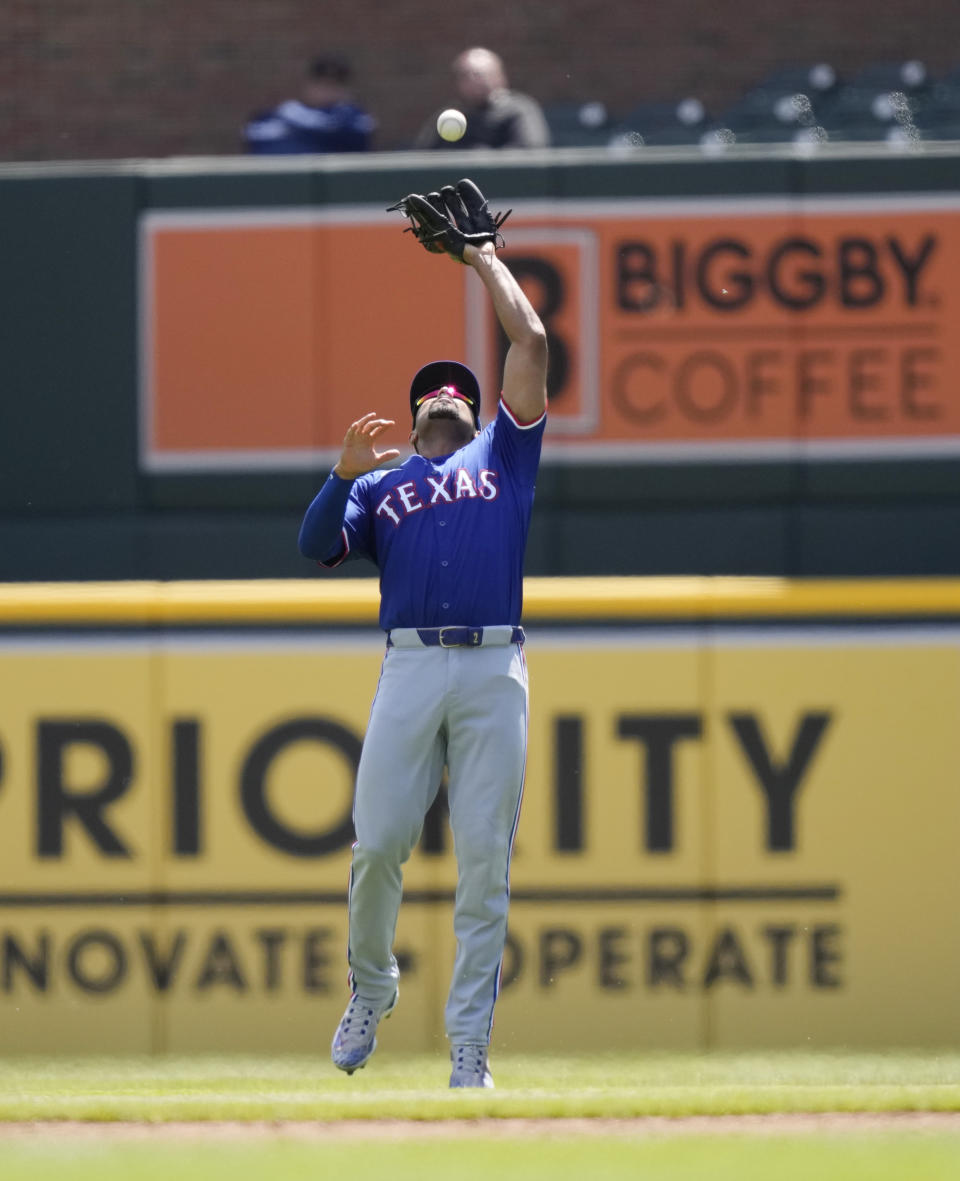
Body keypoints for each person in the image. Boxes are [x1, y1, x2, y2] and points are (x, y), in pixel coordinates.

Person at [297, 182, 548, 1088]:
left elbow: (534, 343)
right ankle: (371, 986)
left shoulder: (504, 459)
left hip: (491, 663)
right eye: (429, 400)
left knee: (484, 864)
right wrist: (338, 474)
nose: (443, 404)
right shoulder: (379, 483)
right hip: (409, 667)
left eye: (457, 398)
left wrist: (484, 257)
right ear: (410, 419)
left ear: (477, 415)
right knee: (377, 844)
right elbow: (314, 545)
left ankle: (470, 1050)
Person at [414, 47, 550, 150]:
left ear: (499, 77)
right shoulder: (451, 115)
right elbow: (425, 156)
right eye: (465, 76)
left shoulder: (519, 110)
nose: (474, 81)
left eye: (479, 74)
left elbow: (531, 150)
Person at [243, 54, 375, 154]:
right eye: (320, 84)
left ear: (346, 90)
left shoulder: (353, 116)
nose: (326, 90)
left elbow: (354, 138)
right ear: (308, 85)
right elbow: (257, 139)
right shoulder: (281, 112)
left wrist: (295, 125)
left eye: (335, 85)